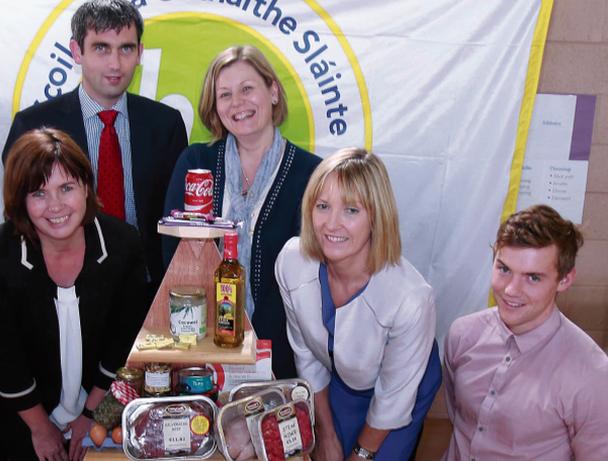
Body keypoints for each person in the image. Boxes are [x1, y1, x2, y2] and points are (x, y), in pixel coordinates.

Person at [0, 128, 148, 461]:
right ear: (20, 201)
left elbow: (123, 345)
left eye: (66, 188)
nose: (55, 206)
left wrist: (93, 415)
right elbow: (5, 359)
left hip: (100, 406)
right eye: (39, 193)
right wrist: (40, 428)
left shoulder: (123, 245)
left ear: (85, 187)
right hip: (20, 417)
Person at [2, 0, 187, 296]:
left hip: (147, 290)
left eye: (125, 48)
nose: (115, 63)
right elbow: (18, 220)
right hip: (61, 290)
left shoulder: (166, 125)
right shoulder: (33, 127)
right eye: (101, 48)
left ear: (140, 53)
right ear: (77, 52)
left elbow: (178, 220)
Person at [164, 45, 321, 379]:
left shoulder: (311, 175)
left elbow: (307, 276)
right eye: (225, 94)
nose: (237, 103)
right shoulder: (196, 164)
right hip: (199, 348)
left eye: (247, 89)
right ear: (215, 106)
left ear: (273, 91)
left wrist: (252, 345)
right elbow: (174, 258)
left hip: (281, 354)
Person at [275, 149, 441, 461]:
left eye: (351, 210)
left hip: (402, 386)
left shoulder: (411, 298)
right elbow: (307, 355)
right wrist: (325, 434)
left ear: (377, 217)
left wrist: (360, 454)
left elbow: (393, 400)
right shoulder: (291, 262)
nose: (331, 224)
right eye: (323, 206)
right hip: (341, 376)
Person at [443, 204, 608, 460]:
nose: (510, 290)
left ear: (564, 280)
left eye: (533, 277)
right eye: (504, 269)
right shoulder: (462, 334)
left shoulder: (592, 373)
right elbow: (460, 418)